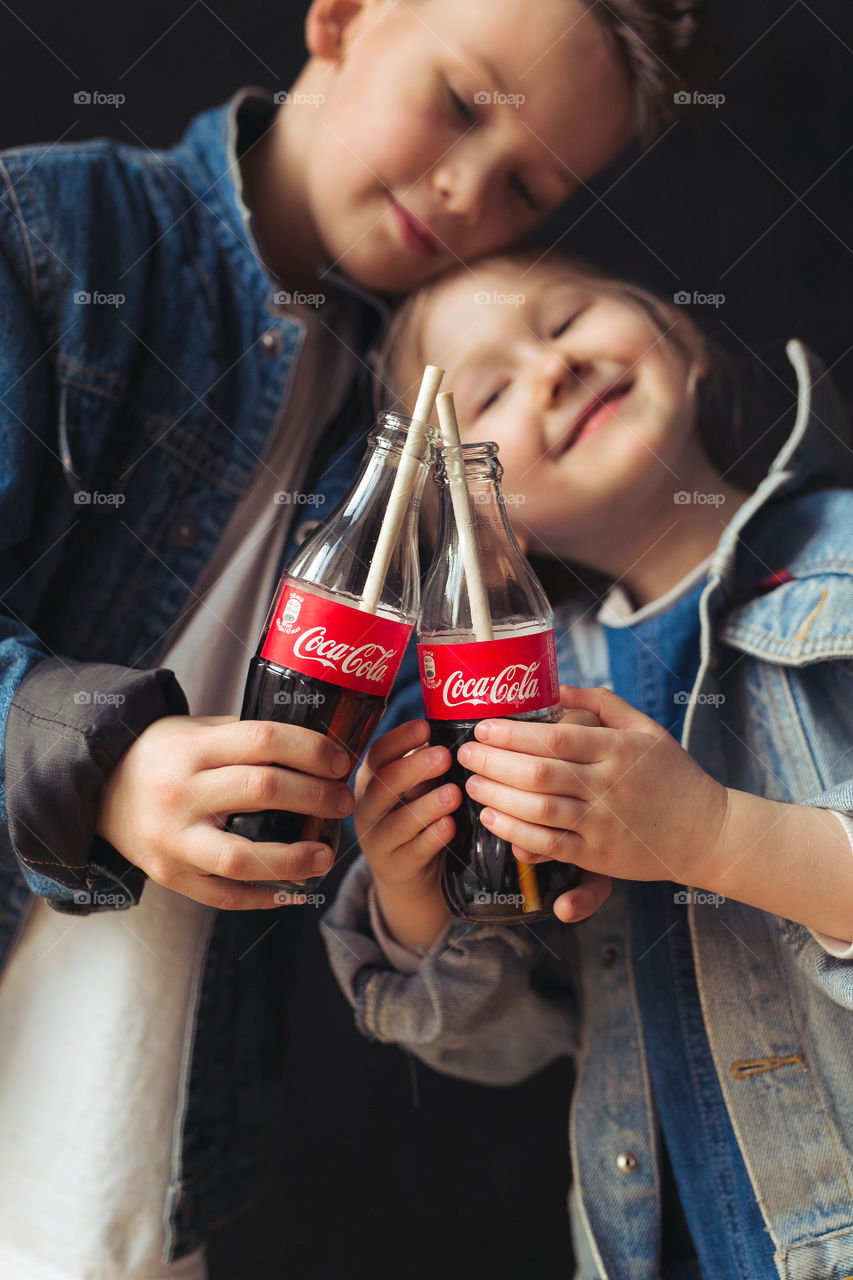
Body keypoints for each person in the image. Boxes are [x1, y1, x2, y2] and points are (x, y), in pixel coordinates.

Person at [0, 2, 710, 1276]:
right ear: (340, 17)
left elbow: (422, 923)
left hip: (126, 1164)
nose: (464, 191)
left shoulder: (436, 435)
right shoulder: (60, 239)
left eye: (527, 185)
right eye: (460, 102)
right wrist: (100, 763)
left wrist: (455, 875)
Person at [322, 250, 853, 1279]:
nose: (552, 369)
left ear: (678, 334)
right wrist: (414, 894)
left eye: (565, 322)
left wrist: (712, 836)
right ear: (483, 515)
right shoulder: (511, 703)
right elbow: (503, 1042)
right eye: (491, 388)